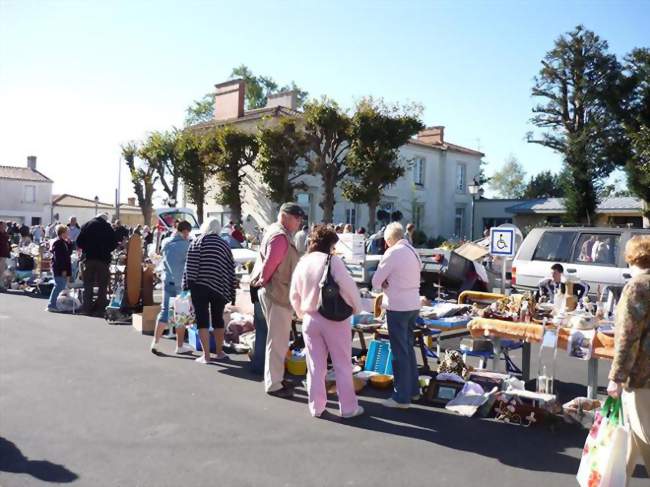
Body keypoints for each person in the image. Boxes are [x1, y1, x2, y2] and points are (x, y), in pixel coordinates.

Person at [290, 225, 364, 418]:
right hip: (334, 319)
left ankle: (317, 407)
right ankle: (348, 408)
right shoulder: (333, 262)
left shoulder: (303, 262)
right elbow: (349, 289)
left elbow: (294, 294)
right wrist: (356, 308)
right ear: (330, 244)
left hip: (310, 318)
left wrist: (301, 313)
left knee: (315, 366)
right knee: (342, 364)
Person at [250, 202, 304, 398]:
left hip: (274, 291)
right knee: (278, 340)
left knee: (276, 339)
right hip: (277, 293)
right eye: (297, 218)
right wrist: (264, 280)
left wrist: (264, 280)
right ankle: (274, 383)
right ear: (286, 217)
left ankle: (275, 378)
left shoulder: (275, 232)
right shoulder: (280, 237)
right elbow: (271, 263)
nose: (299, 222)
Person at [607, 236, 650, 478]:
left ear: (630, 257)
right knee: (631, 441)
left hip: (641, 377)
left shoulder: (637, 287)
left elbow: (628, 337)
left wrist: (616, 377)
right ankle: (615, 481)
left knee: (645, 434)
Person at [371, 222, 422, 409]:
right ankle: (413, 390)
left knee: (399, 351)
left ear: (389, 240)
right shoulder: (412, 250)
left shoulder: (392, 253)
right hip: (413, 304)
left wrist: (385, 282)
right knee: (408, 348)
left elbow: (376, 281)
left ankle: (402, 396)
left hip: (398, 306)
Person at [182, 218, 236, 364]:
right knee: (218, 318)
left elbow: (189, 267)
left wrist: (186, 288)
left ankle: (206, 356)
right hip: (220, 287)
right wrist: (232, 291)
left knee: (202, 320)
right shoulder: (224, 245)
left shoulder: (197, 242)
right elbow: (231, 269)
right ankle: (219, 352)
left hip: (199, 287)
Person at [150, 221, 193, 355]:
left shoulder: (166, 243)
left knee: (164, 312)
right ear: (185, 231)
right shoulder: (187, 245)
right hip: (181, 284)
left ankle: (155, 342)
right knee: (180, 314)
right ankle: (179, 346)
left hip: (167, 281)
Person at [76, 213, 117, 316]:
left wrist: (87, 248)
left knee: (88, 284)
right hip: (103, 260)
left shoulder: (87, 225)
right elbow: (114, 244)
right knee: (102, 285)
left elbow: (79, 242)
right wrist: (106, 250)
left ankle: (87, 307)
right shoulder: (108, 227)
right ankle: (100, 308)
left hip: (89, 258)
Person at [46, 225, 73, 312]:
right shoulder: (58, 243)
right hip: (59, 268)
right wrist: (63, 269)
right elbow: (59, 258)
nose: (68, 234)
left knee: (60, 285)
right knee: (59, 285)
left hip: (60, 267)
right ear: (62, 233)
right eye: (66, 232)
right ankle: (51, 305)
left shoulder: (62, 242)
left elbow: (68, 253)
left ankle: (52, 304)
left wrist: (69, 244)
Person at [0, 221, 10, 292]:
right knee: (1, 270)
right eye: (4, 225)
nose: (5, 226)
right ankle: (1, 285)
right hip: (1, 252)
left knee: (2, 270)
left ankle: (1, 285)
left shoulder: (5, 232)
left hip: (4, 253)